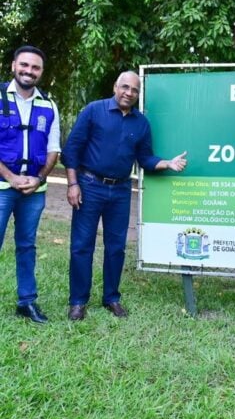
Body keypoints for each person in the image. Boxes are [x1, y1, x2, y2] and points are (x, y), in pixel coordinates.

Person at [61, 71, 187, 320]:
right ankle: (77, 302)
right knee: (81, 246)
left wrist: (167, 163)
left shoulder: (141, 123)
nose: (129, 93)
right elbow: (71, 150)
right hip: (89, 186)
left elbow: (145, 158)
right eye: (125, 87)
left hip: (120, 190)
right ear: (115, 86)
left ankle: (111, 298)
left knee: (116, 247)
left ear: (139, 94)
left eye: (135, 90)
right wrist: (72, 184)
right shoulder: (94, 111)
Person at [0, 45, 61, 323]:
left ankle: (26, 302)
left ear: (41, 72)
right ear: (13, 66)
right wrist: (11, 178)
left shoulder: (48, 105)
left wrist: (38, 179)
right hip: (2, 188)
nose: (29, 71)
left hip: (34, 192)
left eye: (35, 67)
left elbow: (53, 150)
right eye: (24, 65)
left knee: (27, 245)